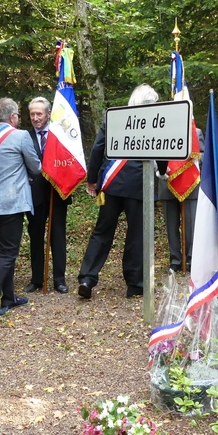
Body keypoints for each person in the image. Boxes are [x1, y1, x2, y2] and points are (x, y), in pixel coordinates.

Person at [77, 84, 159, 299]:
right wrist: (162, 170)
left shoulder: (114, 117)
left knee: (102, 232)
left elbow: (98, 148)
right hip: (139, 184)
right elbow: (161, 148)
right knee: (136, 234)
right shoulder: (156, 120)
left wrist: (92, 179)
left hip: (112, 185)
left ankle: (87, 278)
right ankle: (135, 284)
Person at [0, 98, 42, 317]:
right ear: (12, 117)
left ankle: (9, 297)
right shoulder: (21, 136)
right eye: (18, 115)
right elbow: (36, 167)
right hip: (11, 204)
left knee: (4, 250)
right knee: (8, 253)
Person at [25, 97, 71, 294]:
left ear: (48, 114)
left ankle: (59, 279)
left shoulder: (59, 134)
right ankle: (37, 279)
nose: (35, 118)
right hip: (34, 194)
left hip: (56, 193)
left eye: (39, 114)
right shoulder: (25, 137)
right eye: (32, 114)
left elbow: (69, 160)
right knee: (36, 236)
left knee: (58, 236)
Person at [158, 127, 205, 272]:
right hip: (167, 182)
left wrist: (193, 159)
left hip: (190, 185)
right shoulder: (161, 132)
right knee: (171, 226)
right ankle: (175, 260)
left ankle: (191, 258)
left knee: (191, 224)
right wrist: (160, 169)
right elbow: (154, 154)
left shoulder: (195, 132)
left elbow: (203, 155)